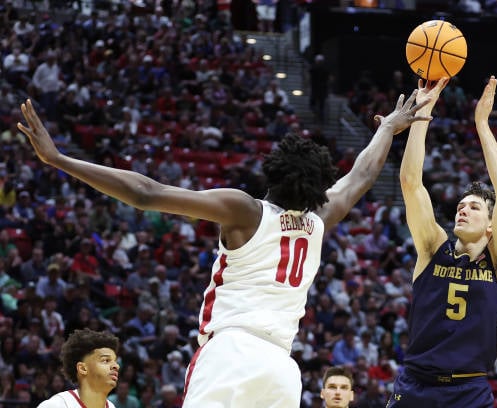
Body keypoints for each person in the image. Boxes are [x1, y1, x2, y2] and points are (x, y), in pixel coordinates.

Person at [19, 90, 431, 408]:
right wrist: (387, 127)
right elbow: (361, 174)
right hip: (282, 368)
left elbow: (146, 192)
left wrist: (59, 159)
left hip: (230, 352)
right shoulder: (320, 219)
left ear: (272, 172)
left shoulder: (245, 211)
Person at [387, 76, 497, 407]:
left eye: (474, 207)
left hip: (468, 391)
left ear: (491, 225)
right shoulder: (433, 247)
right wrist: (423, 113)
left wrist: (482, 125)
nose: (463, 209)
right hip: (416, 385)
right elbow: (410, 182)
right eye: (461, 205)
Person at [37, 328, 120, 408]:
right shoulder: (56, 405)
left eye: (115, 361)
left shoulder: (111, 406)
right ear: (83, 368)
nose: (116, 366)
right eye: (105, 360)